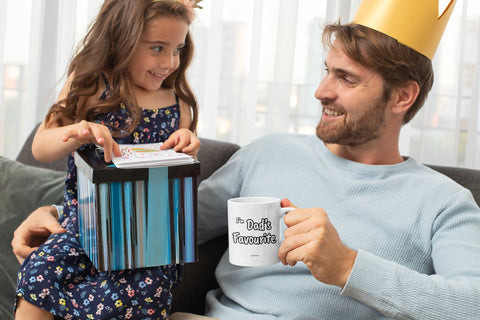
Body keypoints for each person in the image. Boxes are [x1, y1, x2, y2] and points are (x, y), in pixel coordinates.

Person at [14, 0, 480, 319]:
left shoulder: (443, 201)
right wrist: (72, 217)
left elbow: (472, 304)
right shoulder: (270, 153)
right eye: (326, 73)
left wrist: (347, 266)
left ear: (403, 95)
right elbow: (172, 221)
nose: (321, 91)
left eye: (347, 79)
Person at [14, 0, 201, 319]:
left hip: (144, 245)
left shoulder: (178, 104)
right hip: (79, 228)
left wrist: (188, 144)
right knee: (39, 272)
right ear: (121, 40)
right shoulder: (89, 86)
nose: (169, 62)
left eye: (178, 49)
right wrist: (77, 131)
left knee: (129, 298)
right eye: (157, 48)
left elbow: (180, 178)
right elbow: (41, 148)